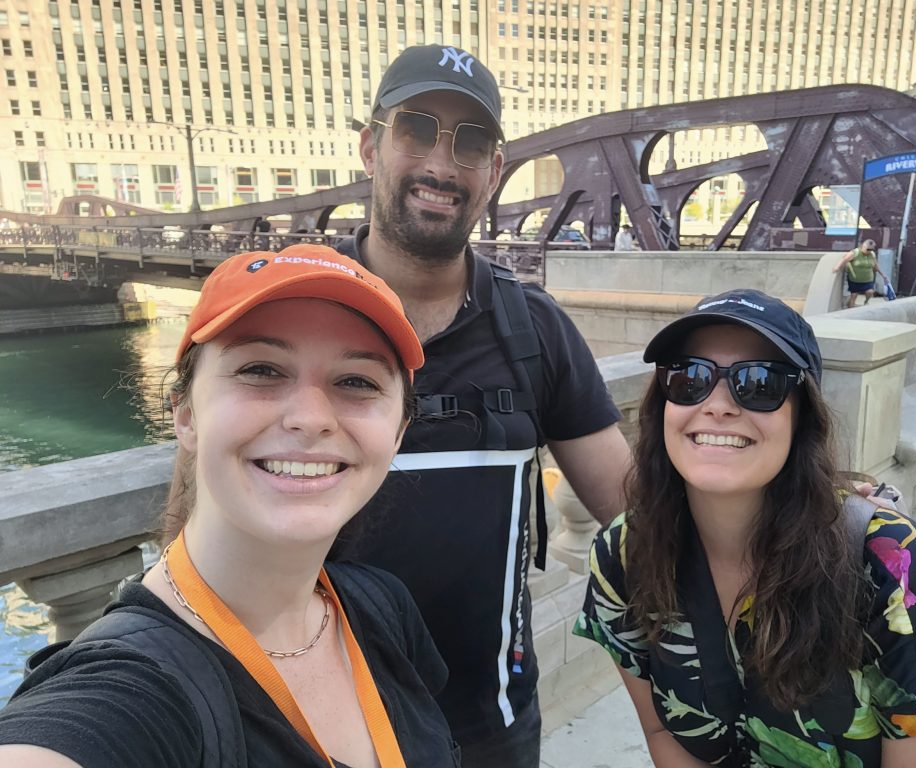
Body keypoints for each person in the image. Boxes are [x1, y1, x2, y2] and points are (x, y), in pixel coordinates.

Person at [0, 244, 459, 767]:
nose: (311, 418)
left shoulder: (384, 607)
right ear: (186, 414)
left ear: (398, 433)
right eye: (261, 369)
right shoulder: (127, 690)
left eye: (357, 381)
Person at [334, 43, 632, 767]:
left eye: (470, 143)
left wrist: (805, 503)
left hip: (492, 733)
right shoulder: (299, 314)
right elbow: (204, 515)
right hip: (324, 732)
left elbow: (636, 509)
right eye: (417, 129)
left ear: (494, 172)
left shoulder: (535, 329)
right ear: (371, 147)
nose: (442, 165)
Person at [575, 288, 916, 767]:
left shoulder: (895, 563)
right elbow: (661, 730)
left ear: (802, 416)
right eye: (690, 377)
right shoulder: (624, 551)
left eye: (759, 383)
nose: (718, 405)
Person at [833, 238, 890, 308]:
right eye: (868, 249)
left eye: (871, 249)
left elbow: (875, 265)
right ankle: (850, 306)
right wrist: (837, 267)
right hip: (855, 279)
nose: (869, 251)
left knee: (870, 292)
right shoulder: (855, 253)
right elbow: (844, 259)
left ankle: (866, 301)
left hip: (868, 279)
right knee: (854, 295)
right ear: (862, 246)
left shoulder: (872, 254)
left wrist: (882, 274)